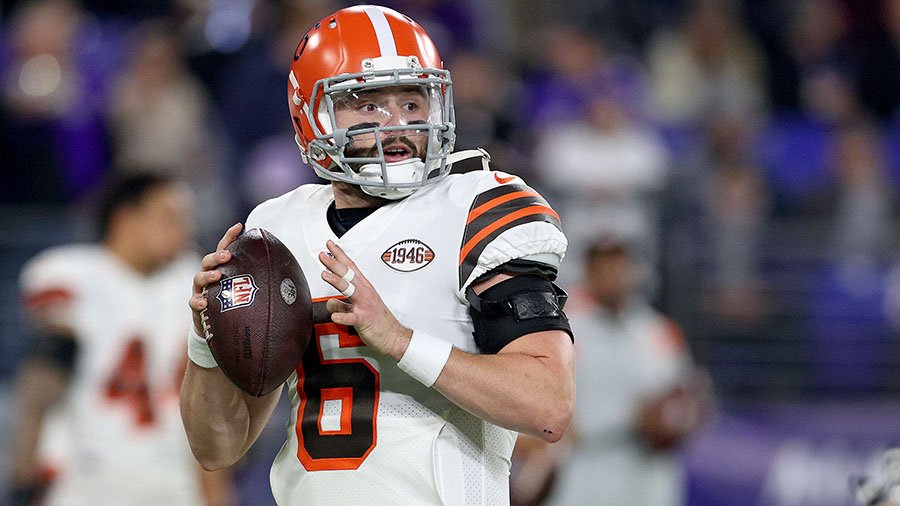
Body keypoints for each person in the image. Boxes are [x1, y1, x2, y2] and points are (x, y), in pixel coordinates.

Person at [180, 5, 575, 505]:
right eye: (367, 105)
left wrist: (400, 340)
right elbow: (216, 447)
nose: (397, 125)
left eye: (412, 103)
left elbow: (549, 405)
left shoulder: (478, 207)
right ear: (311, 114)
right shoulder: (274, 228)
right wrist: (206, 336)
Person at [9, 173, 233, 506]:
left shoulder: (194, 281)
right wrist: (25, 456)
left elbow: (209, 404)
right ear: (125, 219)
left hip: (173, 477)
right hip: (86, 477)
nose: (184, 229)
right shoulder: (70, 272)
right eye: (169, 217)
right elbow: (47, 370)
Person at [544, 235, 713, 506]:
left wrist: (679, 418)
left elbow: (689, 395)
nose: (615, 277)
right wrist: (631, 418)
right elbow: (545, 412)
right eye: (606, 270)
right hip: (587, 474)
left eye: (621, 269)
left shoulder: (658, 330)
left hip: (649, 477)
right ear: (589, 273)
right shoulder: (563, 331)